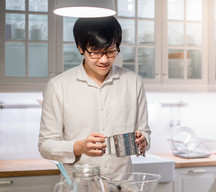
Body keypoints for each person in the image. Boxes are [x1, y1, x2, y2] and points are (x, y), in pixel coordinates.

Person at [38, 16, 151, 175]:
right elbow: (45, 145)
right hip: (81, 188)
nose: (104, 60)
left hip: (123, 187)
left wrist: (143, 141)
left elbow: (144, 131)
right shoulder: (58, 87)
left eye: (111, 51)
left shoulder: (134, 82)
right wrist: (80, 147)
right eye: (96, 52)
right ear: (80, 47)